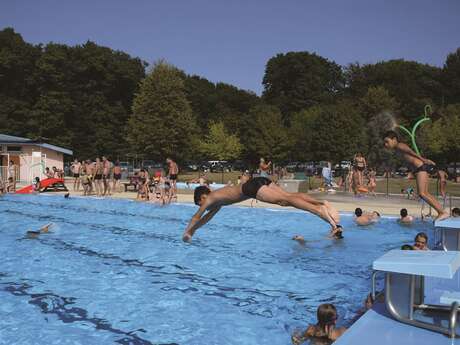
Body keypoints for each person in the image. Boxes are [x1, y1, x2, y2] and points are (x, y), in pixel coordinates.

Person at [182, 176, 341, 242]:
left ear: (202, 197)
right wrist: (195, 231)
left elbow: (197, 217)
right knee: (288, 197)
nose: (202, 205)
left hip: (251, 188)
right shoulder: (216, 200)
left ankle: (320, 213)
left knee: (284, 200)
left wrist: (189, 231)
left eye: (200, 203)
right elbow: (207, 218)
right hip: (258, 181)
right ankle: (321, 203)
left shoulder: (210, 199)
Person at [383, 130, 449, 221]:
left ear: (394, 139)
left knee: (422, 193)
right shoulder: (397, 149)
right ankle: (442, 212)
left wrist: (423, 159)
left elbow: (411, 152)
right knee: (425, 193)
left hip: (421, 167)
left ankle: (442, 212)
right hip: (419, 168)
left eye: (387, 142)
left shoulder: (399, 145)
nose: (386, 144)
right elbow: (409, 158)